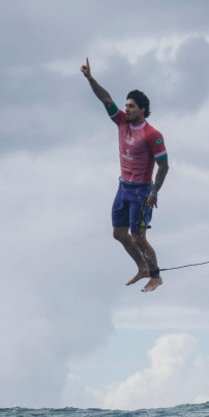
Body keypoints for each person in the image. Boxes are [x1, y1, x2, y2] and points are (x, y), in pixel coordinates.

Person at [81, 58, 169, 292]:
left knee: (138, 237)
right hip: (123, 188)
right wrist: (90, 78)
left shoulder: (153, 135)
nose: (126, 109)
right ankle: (142, 268)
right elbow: (105, 99)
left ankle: (156, 275)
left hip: (141, 192)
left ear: (142, 109)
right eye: (126, 106)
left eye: (131, 106)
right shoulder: (121, 122)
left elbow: (164, 166)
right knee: (119, 234)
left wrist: (154, 192)